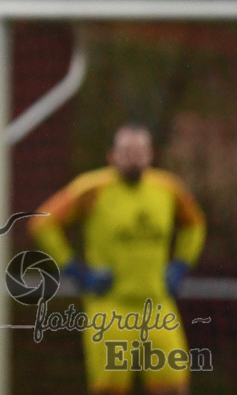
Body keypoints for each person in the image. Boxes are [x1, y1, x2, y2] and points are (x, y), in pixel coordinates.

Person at [29, 122, 207, 395]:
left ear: (150, 155)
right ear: (111, 156)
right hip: (110, 309)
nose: (133, 158)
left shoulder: (168, 189)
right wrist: (76, 271)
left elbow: (194, 224)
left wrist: (181, 264)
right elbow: (42, 223)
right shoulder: (92, 188)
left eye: (139, 151)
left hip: (157, 306)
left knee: (172, 388)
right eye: (126, 152)